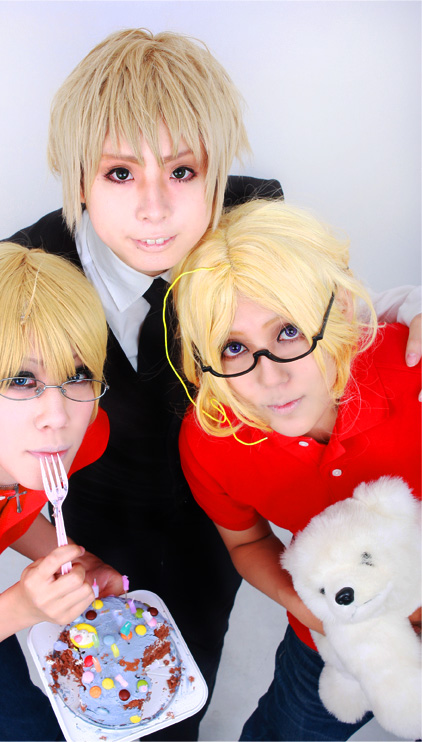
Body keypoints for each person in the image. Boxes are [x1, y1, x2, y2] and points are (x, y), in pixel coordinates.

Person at [0, 28, 421, 740]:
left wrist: (404, 304)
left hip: (217, 516)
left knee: (187, 682)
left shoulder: (259, 220)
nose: (155, 208)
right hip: (95, 511)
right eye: (120, 174)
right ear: (76, 178)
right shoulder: (23, 275)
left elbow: (319, 308)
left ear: (218, 171)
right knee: (112, 697)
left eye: (184, 172)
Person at [173, 199, 421, 741]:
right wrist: (307, 609)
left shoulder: (410, 369)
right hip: (333, 636)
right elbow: (246, 542)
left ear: (339, 311)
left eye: (288, 332)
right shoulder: (213, 438)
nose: (270, 378)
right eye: (234, 347)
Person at [0, 243, 123, 741]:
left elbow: (8, 511)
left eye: (78, 375)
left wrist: (81, 560)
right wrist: (20, 608)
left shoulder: (66, 436)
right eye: (21, 379)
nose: (57, 416)